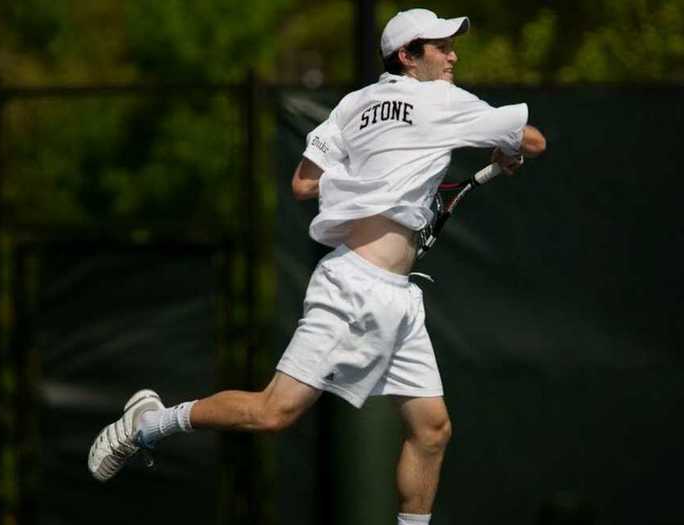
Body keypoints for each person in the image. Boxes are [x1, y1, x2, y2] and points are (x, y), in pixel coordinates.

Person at [88, 8, 546, 525]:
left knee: (431, 429)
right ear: (407, 56)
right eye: (441, 46)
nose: (452, 55)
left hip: (396, 295)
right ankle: (150, 424)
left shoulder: (354, 105)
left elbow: (304, 184)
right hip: (354, 289)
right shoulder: (441, 98)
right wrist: (508, 152)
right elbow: (532, 139)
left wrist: (375, 181)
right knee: (273, 412)